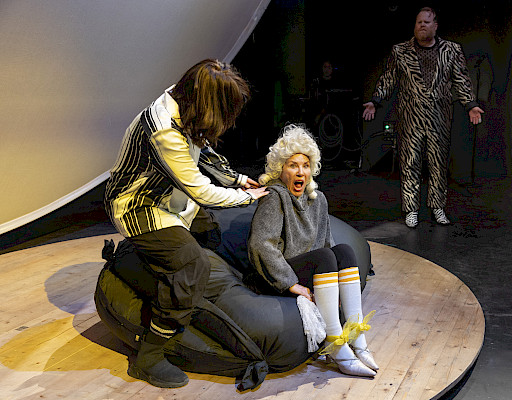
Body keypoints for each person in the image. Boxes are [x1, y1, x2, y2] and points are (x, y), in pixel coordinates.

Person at [104, 59, 268, 388]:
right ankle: (149, 357)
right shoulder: (163, 129)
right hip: (138, 206)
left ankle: (179, 292)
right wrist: (248, 197)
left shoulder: (185, 102)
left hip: (169, 196)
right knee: (192, 266)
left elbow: (202, 146)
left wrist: (237, 180)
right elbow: (202, 192)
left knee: (209, 232)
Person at [247, 124, 378, 377]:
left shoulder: (318, 200)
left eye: (305, 166)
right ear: (281, 169)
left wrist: (335, 285)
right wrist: (291, 283)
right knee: (325, 257)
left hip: (313, 268)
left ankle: (357, 338)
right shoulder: (275, 197)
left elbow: (327, 243)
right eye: (293, 165)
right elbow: (260, 244)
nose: (300, 172)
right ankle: (336, 346)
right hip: (277, 274)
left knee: (344, 251)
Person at [362, 7, 484, 228]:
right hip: (411, 116)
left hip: (439, 116)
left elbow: (461, 80)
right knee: (410, 163)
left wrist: (471, 105)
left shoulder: (451, 50)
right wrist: (376, 100)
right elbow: (388, 78)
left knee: (438, 164)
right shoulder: (401, 51)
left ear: (435, 26)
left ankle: (437, 207)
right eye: (418, 22)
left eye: (426, 22)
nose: (421, 25)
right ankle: (411, 209)